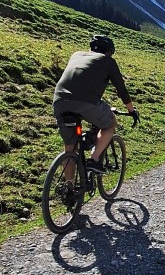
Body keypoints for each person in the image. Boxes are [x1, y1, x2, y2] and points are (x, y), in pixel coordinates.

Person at [53, 34, 139, 173]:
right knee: (110, 124)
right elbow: (121, 90)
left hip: (59, 101)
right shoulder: (108, 61)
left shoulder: (76, 55)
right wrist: (131, 110)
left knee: (70, 148)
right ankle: (94, 160)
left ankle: (69, 188)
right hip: (86, 102)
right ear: (109, 51)